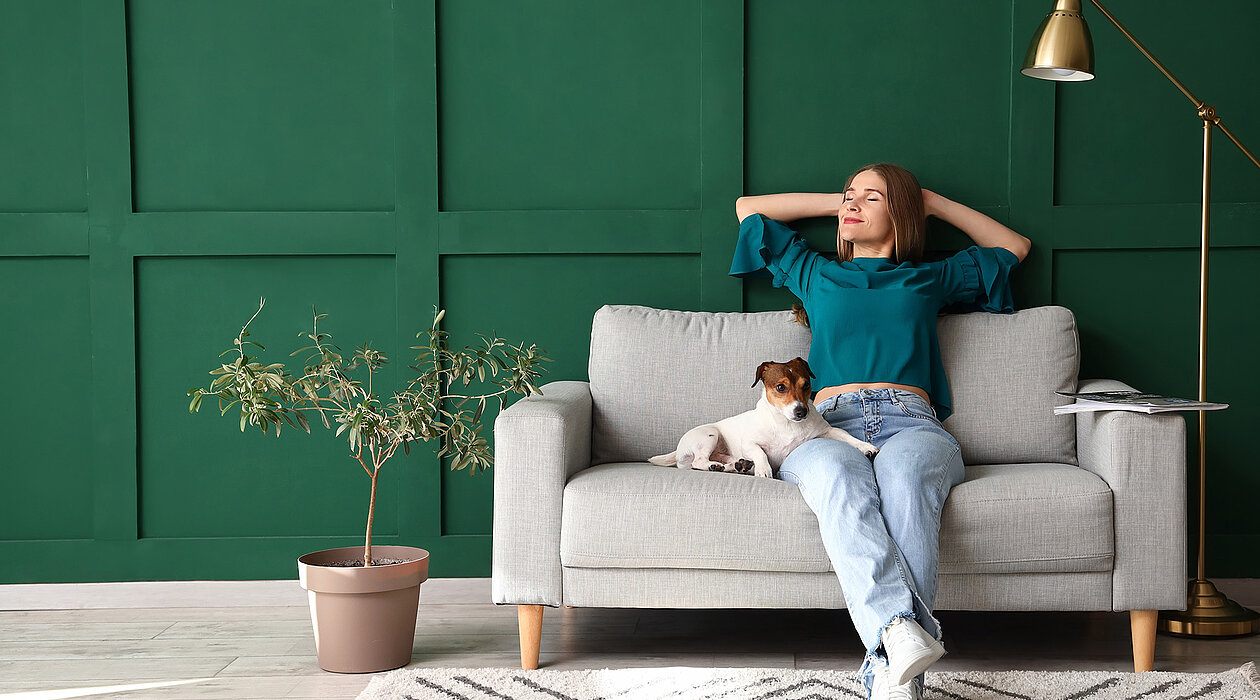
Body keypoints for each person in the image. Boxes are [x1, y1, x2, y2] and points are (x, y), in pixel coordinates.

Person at [729, 163, 1031, 700]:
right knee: (837, 480)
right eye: (851, 194)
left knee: (906, 476)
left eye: (872, 198)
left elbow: (1013, 247)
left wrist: (932, 203)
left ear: (902, 215)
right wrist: (841, 203)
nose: (853, 202)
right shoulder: (815, 272)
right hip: (824, 423)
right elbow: (748, 210)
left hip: (910, 419)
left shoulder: (928, 277)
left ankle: (889, 668)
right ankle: (898, 646)